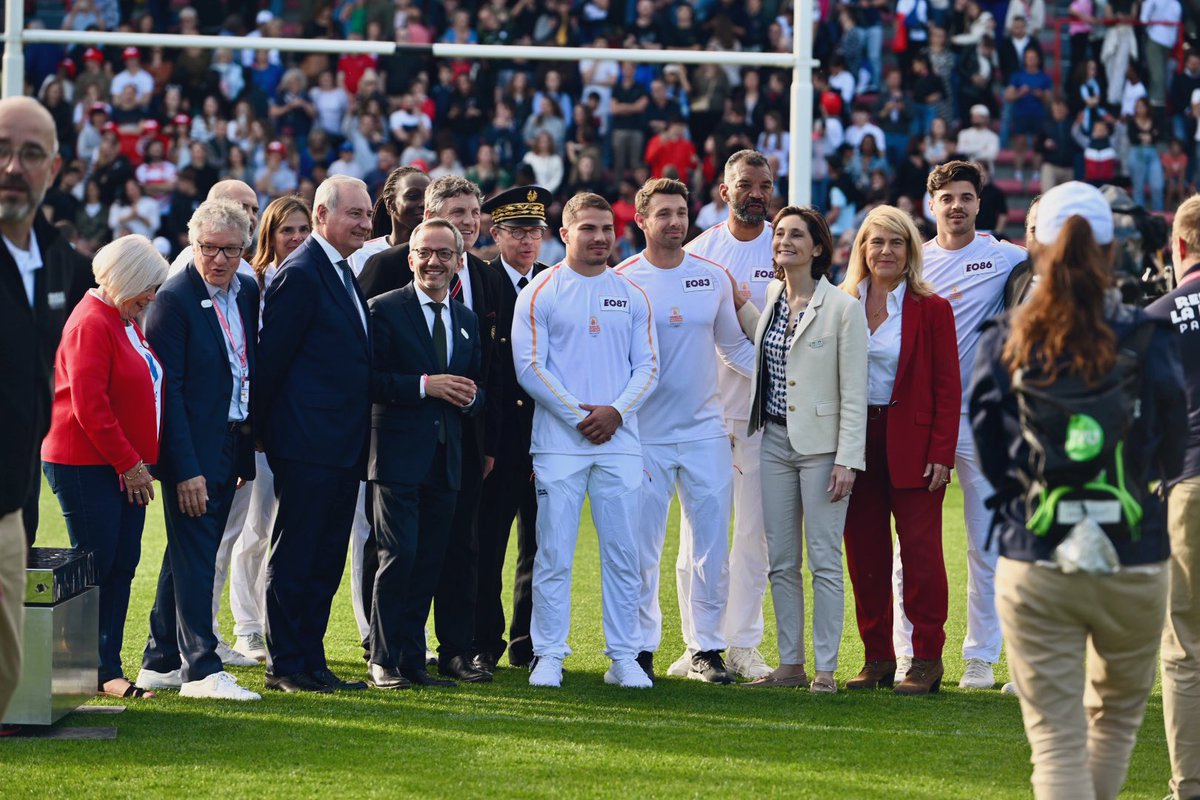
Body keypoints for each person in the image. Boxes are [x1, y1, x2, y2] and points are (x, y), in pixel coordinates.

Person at [970, 181, 1184, 799]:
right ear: (1112, 246)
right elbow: (1170, 444)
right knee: (1112, 724)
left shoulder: (1004, 337)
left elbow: (991, 448)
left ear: (1037, 244)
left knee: (1056, 740)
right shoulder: (1145, 335)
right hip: (1134, 550)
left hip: (1036, 549)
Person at [511, 192, 658, 689]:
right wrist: (582, 416)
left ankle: (623, 657)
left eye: (606, 229)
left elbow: (649, 367)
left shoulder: (632, 293)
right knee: (552, 553)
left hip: (619, 441)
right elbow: (529, 368)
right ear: (565, 233)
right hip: (558, 443)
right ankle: (549, 653)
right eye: (589, 228)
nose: (599, 238)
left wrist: (615, 412)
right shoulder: (541, 290)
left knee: (624, 554)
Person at [358, 176, 500, 684]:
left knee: (431, 560)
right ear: (411, 254)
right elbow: (368, 381)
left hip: (449, 458)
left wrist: (471, 396)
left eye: (445, 254)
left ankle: (412, 659)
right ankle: (382, 657)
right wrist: (424, 385)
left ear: (460, 259)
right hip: (396, 455)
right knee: (398, 557)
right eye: (425, 253)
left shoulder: (464, 319)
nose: (434, 262)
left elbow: (480, 384)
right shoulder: (384, 308)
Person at [615, 178, 756, 683]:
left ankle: (706, 648)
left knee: (712, 547)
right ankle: (640, 648)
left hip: (705, 433)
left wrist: (786, 373)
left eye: (681, 212)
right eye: (664, 214)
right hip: (643, 436)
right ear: (642, 220)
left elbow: (734, 348)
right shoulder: (622, 280)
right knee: (641, 548)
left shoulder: (713, 277)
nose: (674, 222)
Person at [898, 160, 1025, 690]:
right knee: (912, 544)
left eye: (965, 197)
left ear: (979, 203)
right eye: (946, 197)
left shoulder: (1003, 257)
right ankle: (909, 653)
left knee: (985, 543)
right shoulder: (910, 261)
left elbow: (1049, 267)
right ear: (931, 205)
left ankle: (980, 656)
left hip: (982, 420)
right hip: (923, 422)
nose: (956, 206)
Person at [133, 199, 260, 701]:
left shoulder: (246, 290)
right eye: (208, 247)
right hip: (193, 448)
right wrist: (184, 469)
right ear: (193, 243)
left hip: (231, 440)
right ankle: (201, 668)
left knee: (188, 550)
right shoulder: (175, 298)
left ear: (244, 248)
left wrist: (244, 452)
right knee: (196, 552)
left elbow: (245, 368)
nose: (219, 258)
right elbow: (170, 392)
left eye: (230, 249)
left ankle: (160, 659)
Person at [737, 206, 867, 692]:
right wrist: (736, 302)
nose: (783, 240)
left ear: (818, 248)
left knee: (825, 560)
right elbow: (770, 347)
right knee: (781, 560)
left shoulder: (843, 308)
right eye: (779, 233)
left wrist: (847, 460)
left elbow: (854, 391)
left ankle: (826, 670)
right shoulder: (771, 296)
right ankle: (790, 666)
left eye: (796, 234)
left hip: (823, 451)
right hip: (772, 440)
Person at [256, 175, 373, 694]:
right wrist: (266, 434)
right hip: (306, 444)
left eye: (369, 215)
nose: (366, 224)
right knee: (297, 553)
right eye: (355, 214)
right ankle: (285, 664)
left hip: (343, 444)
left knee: (324, 557)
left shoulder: (342, 272)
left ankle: (312, 659)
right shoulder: (301, 272)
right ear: (322, 215)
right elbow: (272, 362)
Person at [839, 206, 960, 695]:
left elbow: (948, 388)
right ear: (861, 250)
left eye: (896, 243)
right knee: (864, 552)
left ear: (910, 251)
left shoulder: (933, 308)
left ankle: (927, 660)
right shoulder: (842, 304)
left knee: (922, 555)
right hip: (854, 440)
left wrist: (942, 451)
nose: (885, 251)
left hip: (914, 443)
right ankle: (878, 659)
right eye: (876, 242)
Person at [41, 235, 167, 700]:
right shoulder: (91, 322)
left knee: (121, 563)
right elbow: (89, 407)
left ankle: (102, 666)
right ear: (128, 277)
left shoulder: (121, 317)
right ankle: (93, 668)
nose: (153, 296)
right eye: (148, 285)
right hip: (85, 461)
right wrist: (130, 463)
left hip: (116, 462)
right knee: (97, 565)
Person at [0, 96, 93, 714]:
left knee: (7, 684)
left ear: (54, 169)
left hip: (10, 508)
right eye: (2, 150)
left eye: (30, 154)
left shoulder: (59, 267)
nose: (12, 166)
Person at [678, 149, 777, 681]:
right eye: (745, 183)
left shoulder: (785, 246)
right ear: (724, 191)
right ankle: (697, 642)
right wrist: (776, 366)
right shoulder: (702, 252)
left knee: (753, 536)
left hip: (765, 416)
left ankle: (743, 643)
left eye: (764, 184)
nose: (755, 192)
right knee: (698, 535)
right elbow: (717, 341)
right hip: (707, 416)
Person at [226, 195, 312, 664]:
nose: (296, 239)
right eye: (287, 231)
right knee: (254, 529)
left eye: (303, 230)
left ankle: (275, 620)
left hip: (299, 426)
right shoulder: (252, 282)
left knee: (289, 529)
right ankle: (247, 626)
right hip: (261, 423)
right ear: (269, 236)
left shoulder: (315, 277)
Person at [473, 185, 553, 672]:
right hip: (498, 440)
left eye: (535, 232)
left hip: (546, 437)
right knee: (487, 545)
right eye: (517, 231)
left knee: (542, 547)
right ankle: (485, 640)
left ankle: (529, 640)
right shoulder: (480, 282)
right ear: (495, 232)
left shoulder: (552, 282)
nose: (527, 241)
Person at [1147, 194, 1200, 800]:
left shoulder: (1158, 316)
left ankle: (1189, 785)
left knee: (1186, 646)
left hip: (1187, 481)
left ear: (1177, 246)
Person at [353, 165, 430, 273]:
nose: (423, 203)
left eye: (429, 197)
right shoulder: (362, 254)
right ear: (390, 203)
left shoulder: (441, 254)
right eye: (413, 196)